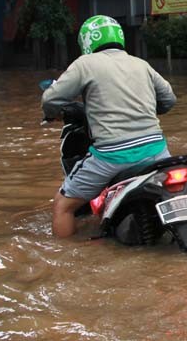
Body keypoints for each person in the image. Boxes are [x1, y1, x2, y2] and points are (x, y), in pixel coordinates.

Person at [41, 15, 177, 238]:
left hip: (112, 155)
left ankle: (63, 262)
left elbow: (51, 100)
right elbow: (169, 100)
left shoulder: (86, 64)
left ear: (87, 41)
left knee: (62, 205)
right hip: (157, 151)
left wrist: (51, 114)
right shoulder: (141, 64)